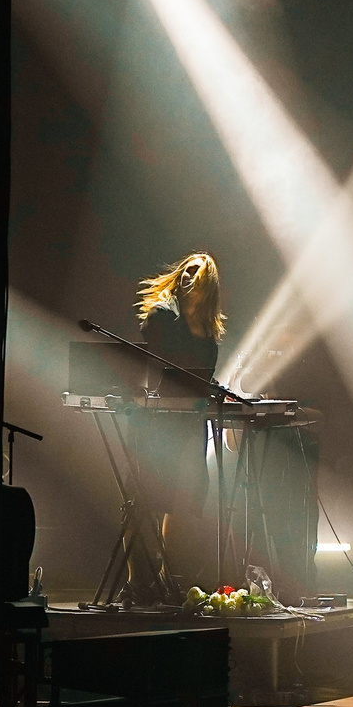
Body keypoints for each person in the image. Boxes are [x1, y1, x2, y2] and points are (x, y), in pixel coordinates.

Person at [133, 252, 225, 595]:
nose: (189, 278)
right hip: (159, 421)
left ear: (208, 285)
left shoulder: (209, 328)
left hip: (191, 422)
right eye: (186, 272)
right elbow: (153, 367)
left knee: (183, 500)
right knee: (147, 497)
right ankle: (137, 580)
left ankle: (167, 575)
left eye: (197, 275)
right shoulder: (162, 315)